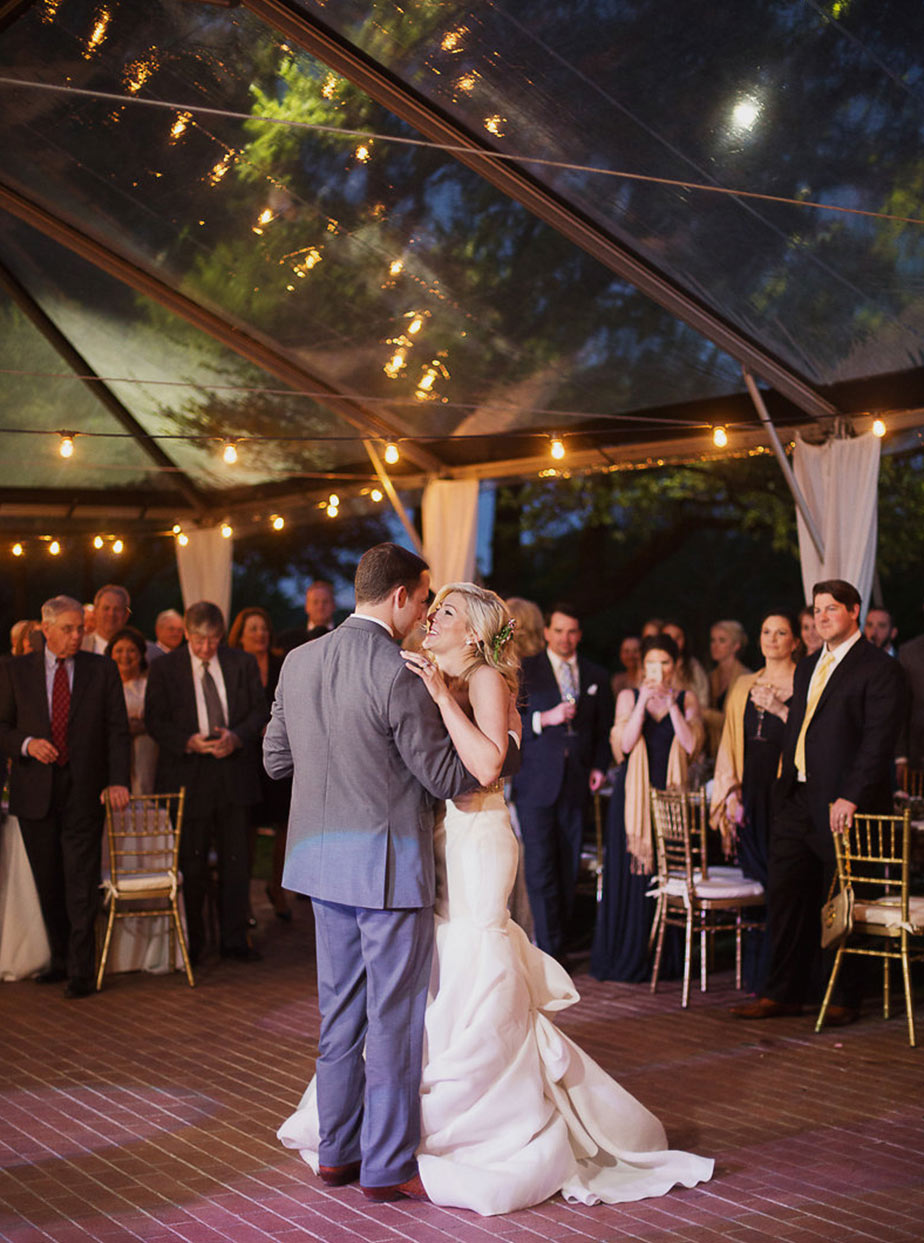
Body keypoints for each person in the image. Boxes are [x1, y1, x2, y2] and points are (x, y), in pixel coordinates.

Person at [277, 583, 713, 1214]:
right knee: (437, 973)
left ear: (476, 633)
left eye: (445, 612)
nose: (431, 618)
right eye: (432, 609)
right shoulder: (434, 673)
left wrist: (434, 698)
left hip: (477, 838)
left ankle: (485, 1123)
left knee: (476, 960)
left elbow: (484, 766)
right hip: (434, 839)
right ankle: (403, 1130)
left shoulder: (484, 678)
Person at [265, 544, 473, 1202]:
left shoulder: (297, 662)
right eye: (424, 598)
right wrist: (499, 748)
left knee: (340, 1015)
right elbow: (444, 775)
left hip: (322, 869)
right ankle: (385, 1165)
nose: (424, 613)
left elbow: (275, 760)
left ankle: (337, 1153)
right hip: (387, 870)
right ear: (402, 597)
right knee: (393, 1018)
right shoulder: (399, 671)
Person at [731, 580, 907, 1026]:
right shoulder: (809, 666)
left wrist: (851, 796)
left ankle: (843, 998)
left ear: (854, 611)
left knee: (842, 900)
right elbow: (800, 730)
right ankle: (782, 993)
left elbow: (877, 743)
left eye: (831, 609)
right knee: (787, 895)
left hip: (846, 804)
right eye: (817, 609)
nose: (822, 616)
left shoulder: (879, 668)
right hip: (797, 797)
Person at [0, 595, 130, 998]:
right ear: (46, 629)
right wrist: (26, 744)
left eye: (80, 628)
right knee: (50, 881)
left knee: (80, 881)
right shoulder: (15, 671)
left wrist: (117, 780)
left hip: (84, 791)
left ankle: (81, 970)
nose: (78, 636)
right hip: (35, 791)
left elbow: (117, 730)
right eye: (69, 629)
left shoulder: (101, 668)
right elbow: (1, 726)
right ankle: (58, 960)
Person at [144, 601, 268, 966]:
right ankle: (193, 942)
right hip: (188, 774)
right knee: (191, 864)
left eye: (213, 640)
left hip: (232, 773)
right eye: (199, 640)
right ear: (186, 633)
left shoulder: (240, 663)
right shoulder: (165, 668)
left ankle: (234, 940)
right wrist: (188, 740)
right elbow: (155, 719)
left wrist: (237, 737)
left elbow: (260, 710)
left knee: (236, 862)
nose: (205, 648)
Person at [591, 633, 702, 982]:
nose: (658, 670)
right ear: (643, 666)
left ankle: (664, 960)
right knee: (631, 874)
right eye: (651, 663)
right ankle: (627, 958)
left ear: (675, 666)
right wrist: (642, 704)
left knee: (664, 872)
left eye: (664, 663)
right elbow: (622, 745)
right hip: (632, 800)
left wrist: (670, 706)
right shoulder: (627, 695)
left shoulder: (687, 698)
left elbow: (690, 746)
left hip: (668, 800)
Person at [512, 604, 614, 961]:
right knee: (540, 868)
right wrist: (544, 718)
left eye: (571, 632)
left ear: (579, 635)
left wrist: (600, 766)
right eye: (558, 631)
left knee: (569, 867)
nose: (565, 638)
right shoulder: (526, 671)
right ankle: (550, 953)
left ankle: (561, 944)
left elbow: (603, 732)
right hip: (536, 784)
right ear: (546, 633)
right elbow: (512, 724)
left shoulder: (596, 674)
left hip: (576, 785)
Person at [710, 611, 798, 993]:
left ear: (795, 641)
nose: (772, 638)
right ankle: (760, 974)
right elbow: (730, 741)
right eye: (766, 631)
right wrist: (729, 790)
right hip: (752, 794)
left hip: (787, 792)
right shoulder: (744, 683)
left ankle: (782, 975)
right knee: (761, 881)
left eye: (781, 632)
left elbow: (810, 738)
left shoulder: (806, 680)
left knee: (783, 884)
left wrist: (781, 708)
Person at [228, 606, 291, 921]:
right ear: (240, 635)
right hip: (246, 756)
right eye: (253, 629)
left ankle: (276, 887)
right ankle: (246, 900)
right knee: (249, 826)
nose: (260, 634)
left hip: (279, 753)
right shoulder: (233, 665)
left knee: (284, 823)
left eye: (264, 628)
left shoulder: (282, 663)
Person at [105, 625, 158, 794]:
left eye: (131, 651)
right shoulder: (102, 688)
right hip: (111, 757)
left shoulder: (151, 686)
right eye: (119, 651)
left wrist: (143, 725)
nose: (125, 656)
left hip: (148, 758)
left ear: (142, 654)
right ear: (110, 654)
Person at [83, 584, 159, 664]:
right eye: (106, 608)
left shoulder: (150, 653)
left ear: (126, 615)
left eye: (117, 609)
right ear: (95, 612)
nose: (111, 614)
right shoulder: (80, 647)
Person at [278, 580, 336, 653]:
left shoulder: (344, 637)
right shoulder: (288, 639)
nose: (320, 607)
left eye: (325, 602)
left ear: (334, 605)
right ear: (306, 607)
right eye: (315, 602)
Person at [662, 620, 709, 707]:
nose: (673, 643)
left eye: (677, 638)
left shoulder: (693, 666)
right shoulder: (653, 664)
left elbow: (703, 700)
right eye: (669, 638)